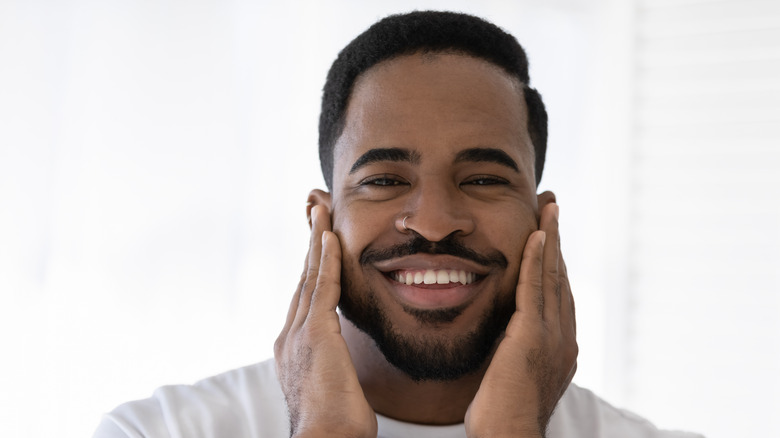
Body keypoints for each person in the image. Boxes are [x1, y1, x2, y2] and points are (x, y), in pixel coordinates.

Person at [93, 11, 703, 438]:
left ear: (543, 220)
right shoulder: (156, 432)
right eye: (384, 180)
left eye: (485, 179)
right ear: (322, 220)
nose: (435, 224)